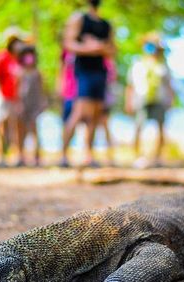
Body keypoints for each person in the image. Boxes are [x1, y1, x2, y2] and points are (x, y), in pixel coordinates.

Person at [61, 0, 115, 168]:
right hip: (84, 72)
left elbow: (112, 50)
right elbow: (68, 44)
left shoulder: (107, 24)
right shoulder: (79, 19)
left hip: (100, 72)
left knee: (95, 115)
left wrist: (97, 47)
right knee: (79, 112)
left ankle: (88, 155)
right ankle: (64, 155)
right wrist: (91, 48)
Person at [125, 33, 174, 168]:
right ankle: (138, 156)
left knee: (161, 128)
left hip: (159, 99)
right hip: (141, 99)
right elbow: (130, 86)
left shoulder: (163, 66)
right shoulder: (138, 64)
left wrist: (171, 100)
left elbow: (169, 85)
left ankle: (158, 158)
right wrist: (128, 102)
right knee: (138, 127)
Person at [0, 30, 24, 167]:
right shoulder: (1, 58)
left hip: (16, 98)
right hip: (3, 97)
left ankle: (18, 154)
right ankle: (1, 155)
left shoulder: (18, 59)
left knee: (17, 125)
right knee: (2, 125)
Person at [16, 45, 47, 166]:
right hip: (23, 104)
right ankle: (20, 155)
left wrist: (42, 103)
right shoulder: (20, 72)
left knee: (34, 129)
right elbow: (17, 90)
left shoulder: (37, 73)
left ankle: (37, 156)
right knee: (21, 130)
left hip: (35, 104)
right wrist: (18, 103)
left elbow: (42, 89)